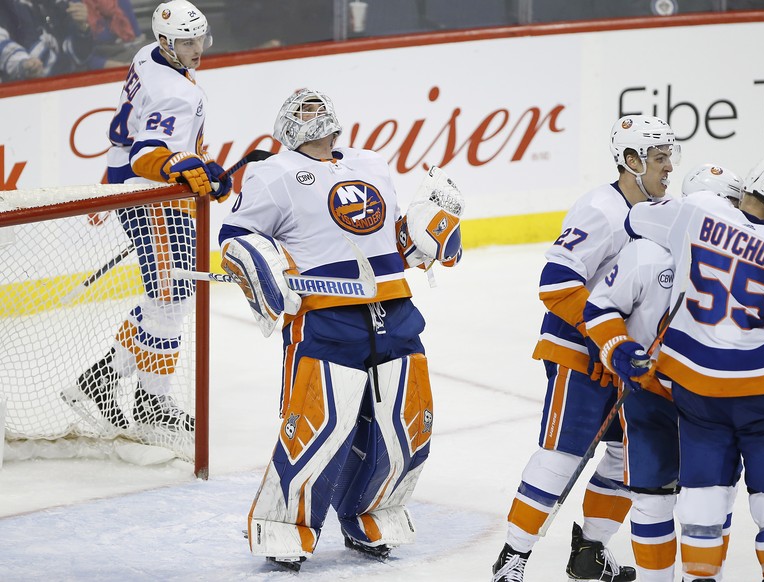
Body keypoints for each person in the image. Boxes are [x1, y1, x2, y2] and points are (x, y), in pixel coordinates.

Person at [217, 88, 463, 571]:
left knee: (405, 426)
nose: (313, 114)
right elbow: (236, 236)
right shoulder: (272, 173)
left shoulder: (371, 164)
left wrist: (424, 233)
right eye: (302, 109)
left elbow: (391, 234)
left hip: (394, 310)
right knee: (317, 428)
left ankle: (371, 516)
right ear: (285, 124)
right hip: (326, 315)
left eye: (318, 107)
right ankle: (286, 530)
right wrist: (258, 265)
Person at [624, 155, 764, 581]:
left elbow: (637, 218)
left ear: (744, 191)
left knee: (704, 494)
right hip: (762, 393)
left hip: (697, 386)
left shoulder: (699, 210)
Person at [492, 115, 680, 582]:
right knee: (563, 454)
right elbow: (556, 284)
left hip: (626, 363)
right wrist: (603, 343)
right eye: (659, 159)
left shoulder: (664, 211)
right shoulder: (601, 209)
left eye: (669, 158)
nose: (668, 168)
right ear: (631, 161)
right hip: (580, 354)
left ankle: (590, 552)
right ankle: (512, 559)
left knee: (622, 457)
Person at [66, 0, 231, 433]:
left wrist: (199, 165)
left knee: (165, 297)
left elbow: (154, 136)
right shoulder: (177, 92)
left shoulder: (149, 54)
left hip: (141, 191)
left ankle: (99, 381)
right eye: (186, 41)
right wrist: (181, 167)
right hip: (149, 196)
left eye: (199, 39)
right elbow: (146, 155)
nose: (197, 48)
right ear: (165, 41)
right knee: (170, 299)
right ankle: (150, 405)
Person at [581, 162, 747, 582]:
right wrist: (620, 351)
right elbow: (599, 309)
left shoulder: (747, 264)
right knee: (653, 500)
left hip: (713, 402)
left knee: (712, 502)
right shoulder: (645, 254)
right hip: (652, 397)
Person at [0, 0, 93, 80]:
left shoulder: (55, 4)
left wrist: (82, 27)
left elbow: (80, 57)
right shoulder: (9, 7)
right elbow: (38, 65)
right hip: (21, 94)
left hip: (62, 87)